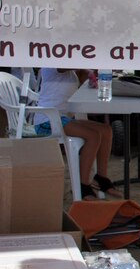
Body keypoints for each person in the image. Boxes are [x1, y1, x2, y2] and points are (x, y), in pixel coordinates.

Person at [34, 68, 121, 199]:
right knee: (93, 136)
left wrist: (92, 73)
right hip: (47, 120)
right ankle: (83, 185)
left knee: (106, 130)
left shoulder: (72, 71)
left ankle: (101, 178)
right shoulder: (52, 64)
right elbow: (63, 67)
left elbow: (84, 78)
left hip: (62, 118)